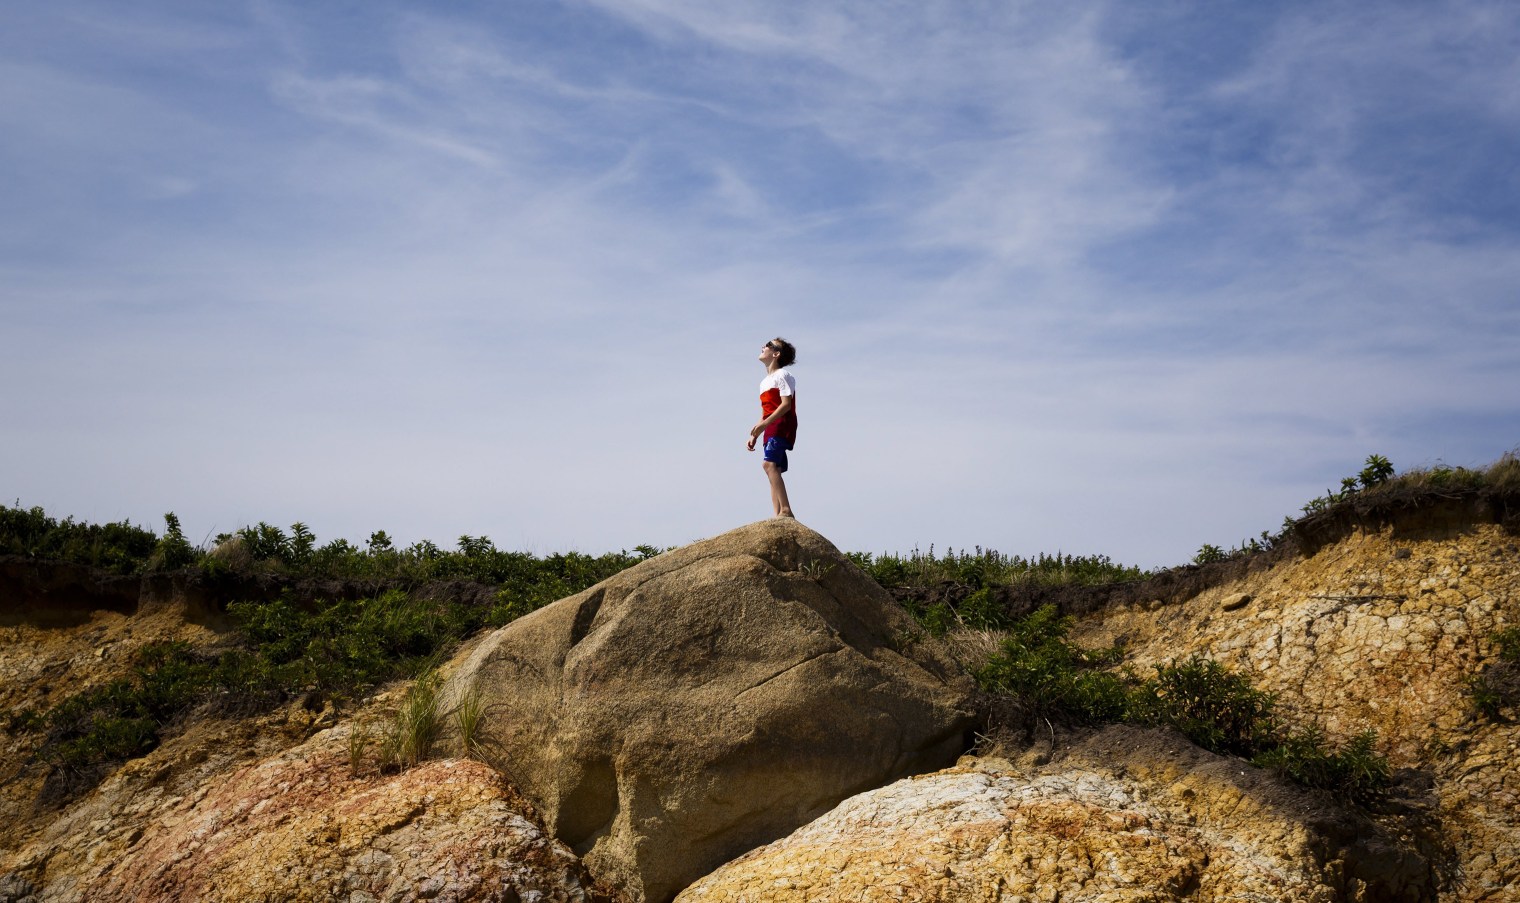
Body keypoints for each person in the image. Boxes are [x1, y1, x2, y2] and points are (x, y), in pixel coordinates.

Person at [747, 338, 798, 518]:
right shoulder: (764, 382)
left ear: (776, 354)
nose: (763, 346)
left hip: (781, 424)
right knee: (773, 468)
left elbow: (785, 405)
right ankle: (777, 513)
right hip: (770, 425)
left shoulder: (783, 375)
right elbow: (765, 411)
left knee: (769, 465)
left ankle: (786, 510)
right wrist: (756, 431)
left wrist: (766, 423)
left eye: (768, 344)